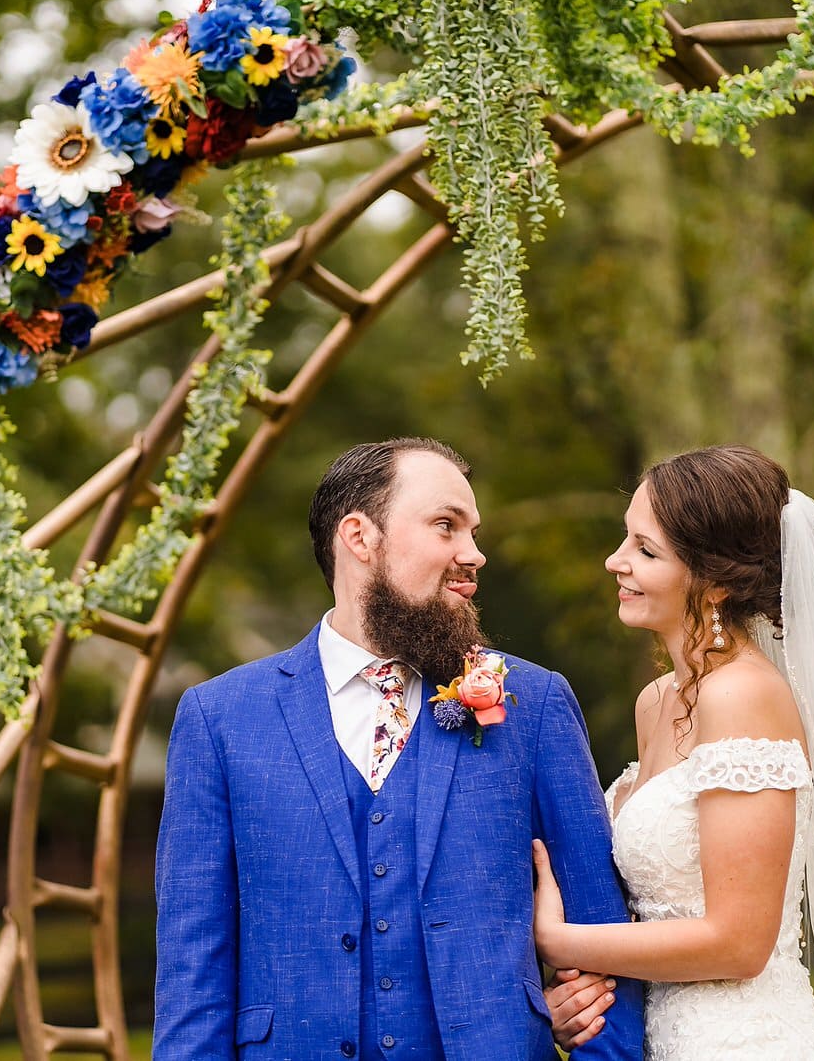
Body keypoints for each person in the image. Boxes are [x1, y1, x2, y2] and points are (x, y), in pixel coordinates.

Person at [154, 437, 644, 1059]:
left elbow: (605, 937)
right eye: (446, 526)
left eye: (473, 531)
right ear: (360, 537)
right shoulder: (219, 719)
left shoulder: (535, 705)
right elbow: (192, 969)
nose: (475, 554)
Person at [534, 444, 814, 1059]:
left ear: (716, 581)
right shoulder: (657, 702)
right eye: (626, 540)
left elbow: (740, 943)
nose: (617, 562)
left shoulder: (744, 695)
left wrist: (562, 943)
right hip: (664, 1037)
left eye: (646, 550)